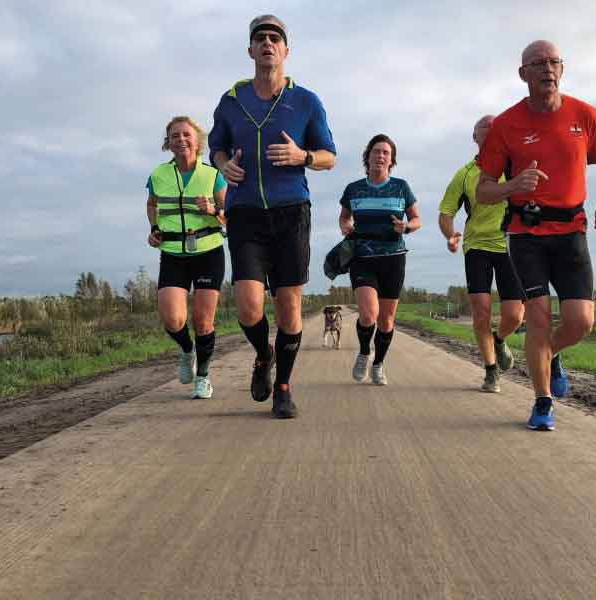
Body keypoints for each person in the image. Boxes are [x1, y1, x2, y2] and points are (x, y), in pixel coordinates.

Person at [476, 40, 596, 430]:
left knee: (581, 321)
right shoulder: (505, 126)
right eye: (537, 63)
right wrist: (513, 185)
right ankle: (542, 402)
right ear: (523, 74)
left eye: (553, 61)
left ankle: (548, 355)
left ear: (562, 68)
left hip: (572, 230)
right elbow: (483, 189)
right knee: (537, 319)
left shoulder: (584, 114)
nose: (547, 69)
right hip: (527, 233)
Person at [208, 14, 336, 419]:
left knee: (288, 308)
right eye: (260, 38)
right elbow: (216, 148)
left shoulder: (306, 101)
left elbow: (330, 156)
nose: (267, 43)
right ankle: (263, 354)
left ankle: (283, 387)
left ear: (285, 50)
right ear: (250, 50)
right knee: (248, 307)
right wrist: (223, 164)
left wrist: (304, 156)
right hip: (245, 211)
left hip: (290, 213)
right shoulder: (231, 101)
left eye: (275, 38)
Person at [438, 115, 525, 393]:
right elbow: (446, 213)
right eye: (484, 129)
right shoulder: (464, 174)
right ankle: (490, 371)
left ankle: (499, 340)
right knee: (481, 313)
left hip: (510, 244)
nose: (490, 132)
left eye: (495, 128)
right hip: (476, 246)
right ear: (475, 138)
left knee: (514, 315)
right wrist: (450, 234)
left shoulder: (515, 165)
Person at [146, 116, 227, 399]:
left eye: (186, 135)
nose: (181, 139)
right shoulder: (158, 175)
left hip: (208, 251)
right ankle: (186, 350)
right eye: (174, 136)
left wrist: (212, 211)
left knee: (203, 321)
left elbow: (231, 218)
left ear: (197, 140)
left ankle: (203, 376)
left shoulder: (213, 175)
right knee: (173, 319)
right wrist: (154, 230)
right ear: (168, 143)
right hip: (172, 253)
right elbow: (152, 204)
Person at [339, 134, 422, 386]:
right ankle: (365, 352)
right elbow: (344, 217)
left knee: (386, 320)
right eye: (376, 151)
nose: (381, 156)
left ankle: (378, 363)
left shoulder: (401, 187)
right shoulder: (353, 188)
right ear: (368, 156)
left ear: (391, 160)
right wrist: (345, 226)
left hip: (393, 258)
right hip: (362, 256)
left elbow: (417, 219)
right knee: (368, 314)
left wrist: (406, 228)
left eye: (386, 153)